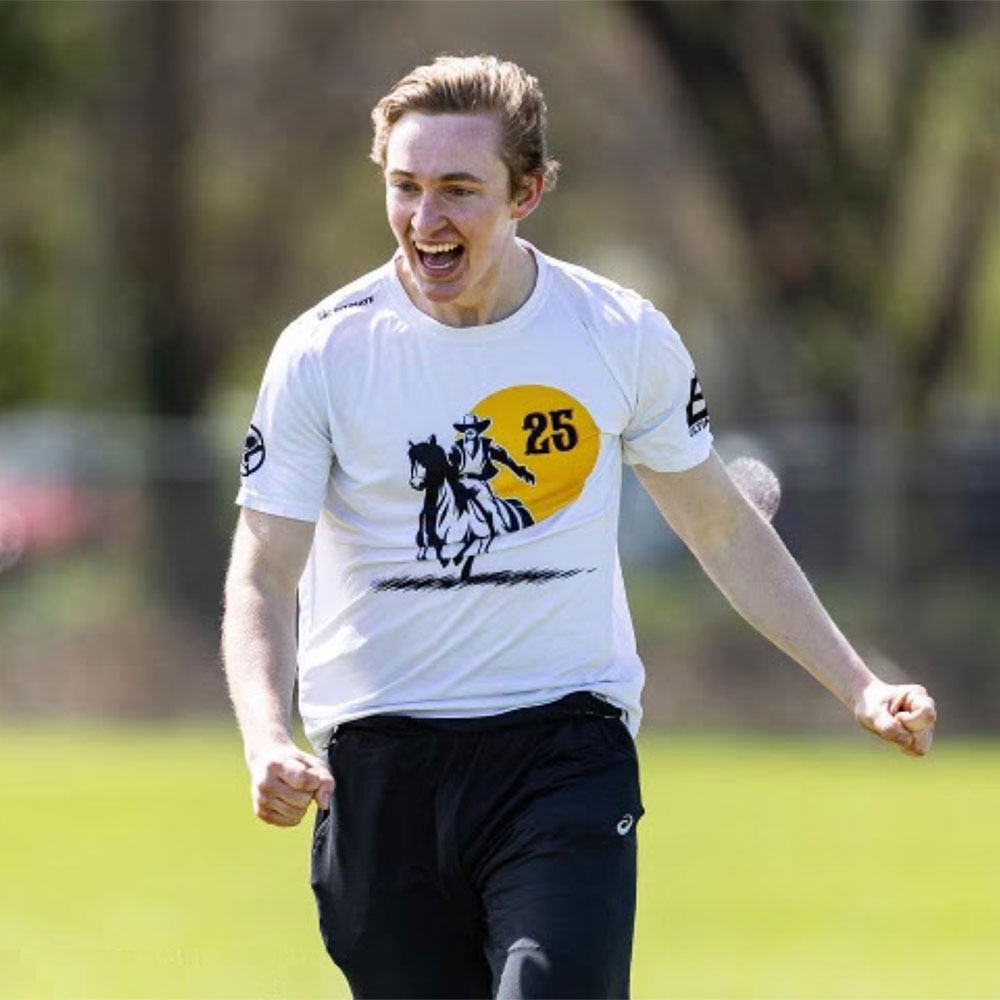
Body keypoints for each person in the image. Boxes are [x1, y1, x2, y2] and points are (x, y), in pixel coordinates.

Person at [221, 54, 936, 1000]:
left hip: (562, 749)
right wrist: (268, 737)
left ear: (528, 192)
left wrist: (858, 684)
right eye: (405, 188)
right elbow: (262, 576)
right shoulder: (324, 350)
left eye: (458, 191)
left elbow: (722, 529)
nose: (425, 221)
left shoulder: (615, 333)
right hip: (377, 763)